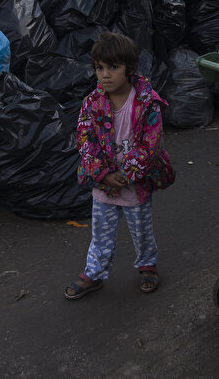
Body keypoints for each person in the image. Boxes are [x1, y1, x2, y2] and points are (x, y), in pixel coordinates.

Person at [64, 32, 176, 300]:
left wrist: (125, 175)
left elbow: (152, 144)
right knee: (101, 234)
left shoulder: (147, 103)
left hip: (134, 184)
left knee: (141, 231)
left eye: (113, 67)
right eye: (99, 68)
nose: (105, 75)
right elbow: (85, 139)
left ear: (130, 68)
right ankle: (94, 273)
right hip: (103, 184)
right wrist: (103, 174)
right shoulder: (92, 103)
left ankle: (147, 265)